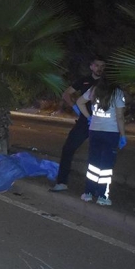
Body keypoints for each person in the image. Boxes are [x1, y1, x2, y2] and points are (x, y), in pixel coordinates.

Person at [50, 58, 106, 192]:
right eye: (97, 65)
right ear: (91, 66)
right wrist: (75, 107)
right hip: (84, 121)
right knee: (68, 149)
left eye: (103, 66)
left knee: (98, 156)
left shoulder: (107, 83)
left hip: (101, 122)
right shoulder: (84, 80)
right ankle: (62, 182)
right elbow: (66, 94)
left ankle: (96, 189)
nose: (100, 68)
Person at [76, 75, 126, 206]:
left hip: (94, 131)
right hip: (111, 133)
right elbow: (120, 117)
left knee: (93, 162)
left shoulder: (94, 90)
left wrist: (89, 117)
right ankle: (102, 196)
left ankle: (88, 192)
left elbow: (79, 102)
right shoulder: (117, 93)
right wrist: (123, 135)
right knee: (106, 166)